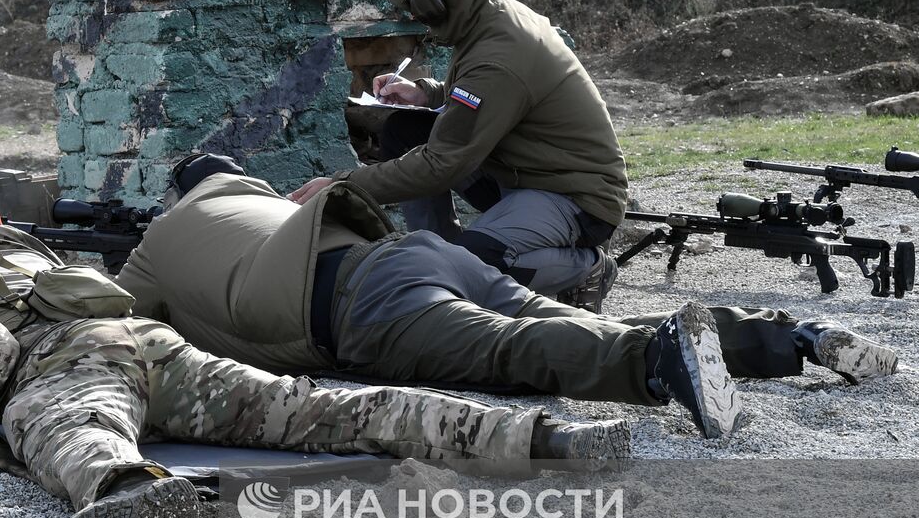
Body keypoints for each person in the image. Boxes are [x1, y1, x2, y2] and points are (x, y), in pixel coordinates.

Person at [0, 160, 631, 518]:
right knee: (316, 408)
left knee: (71, 430)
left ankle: (128, 489)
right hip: (145, 342)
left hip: (62, 361)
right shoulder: (33, 250)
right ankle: (535, 436)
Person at [116, 156, 901, 442]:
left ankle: (659, 364)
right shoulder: (258, 199)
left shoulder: (160, 241)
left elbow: (104, 314)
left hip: (366, 312)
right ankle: (792, 338)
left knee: (511, 352)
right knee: (573, 320)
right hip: (413, 254)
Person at [289, 0, 629, 311]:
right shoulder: (487, 16)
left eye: (415, 5)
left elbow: (441, 164)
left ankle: (588, 269)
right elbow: (482, 99)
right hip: (526, 171)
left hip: (577, 196)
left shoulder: (497, 54)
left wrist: (341, 185)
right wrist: (425, 93)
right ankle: (441, 260)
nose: (415, 16)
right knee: (404, 132)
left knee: (477, 262)